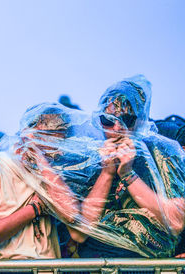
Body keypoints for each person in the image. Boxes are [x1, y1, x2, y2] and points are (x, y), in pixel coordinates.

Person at [72, 75, 185, 258]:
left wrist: (128, 175)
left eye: (127, 119)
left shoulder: (163, 152)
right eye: (108, 120)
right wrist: (106, 174)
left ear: (141, 121)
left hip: (145, 265)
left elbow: (175, 221)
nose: (117, 128)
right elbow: (79, 233)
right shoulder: (91, 158)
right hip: (95, 263)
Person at [0, 103, 80, 259]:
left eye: (61, 144)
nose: (58, 151)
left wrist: (41, 160)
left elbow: (71, 215)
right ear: (29, 134)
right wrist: (34, 210)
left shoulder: (51, 173)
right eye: (52, 143)